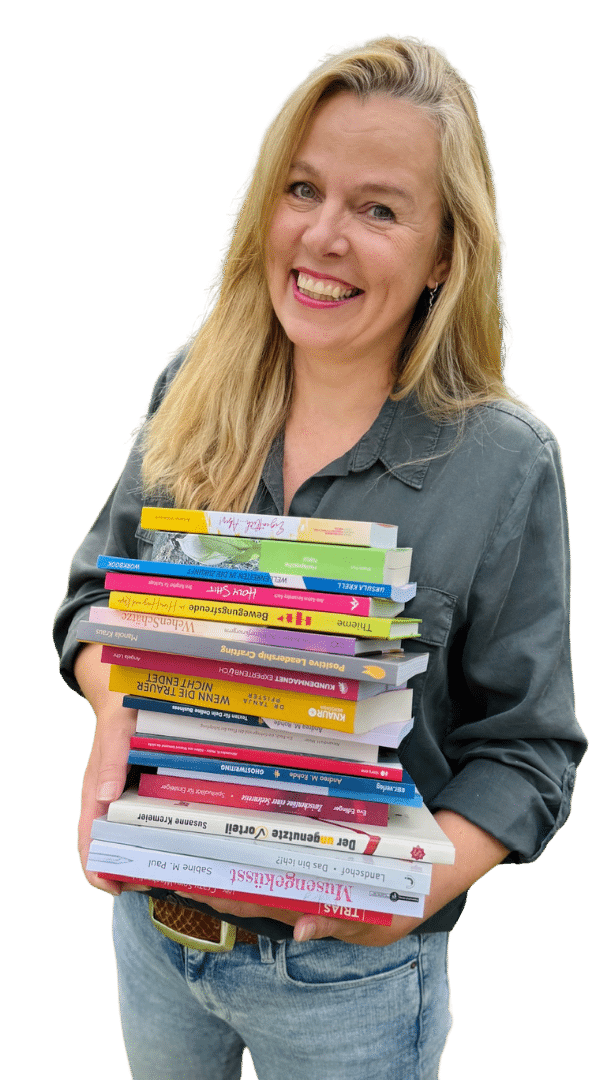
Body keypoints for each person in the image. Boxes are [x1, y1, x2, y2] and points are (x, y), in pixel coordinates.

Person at [53, 34, 586, 1080]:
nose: (323, 235)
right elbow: (91, 600)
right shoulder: (192, 385)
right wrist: (116, 711)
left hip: (351, 983)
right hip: (155, 936)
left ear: (447, 254)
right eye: (303, 189)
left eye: (378, 209)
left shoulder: (506, 463)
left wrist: (414, 889)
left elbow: (529, 751)